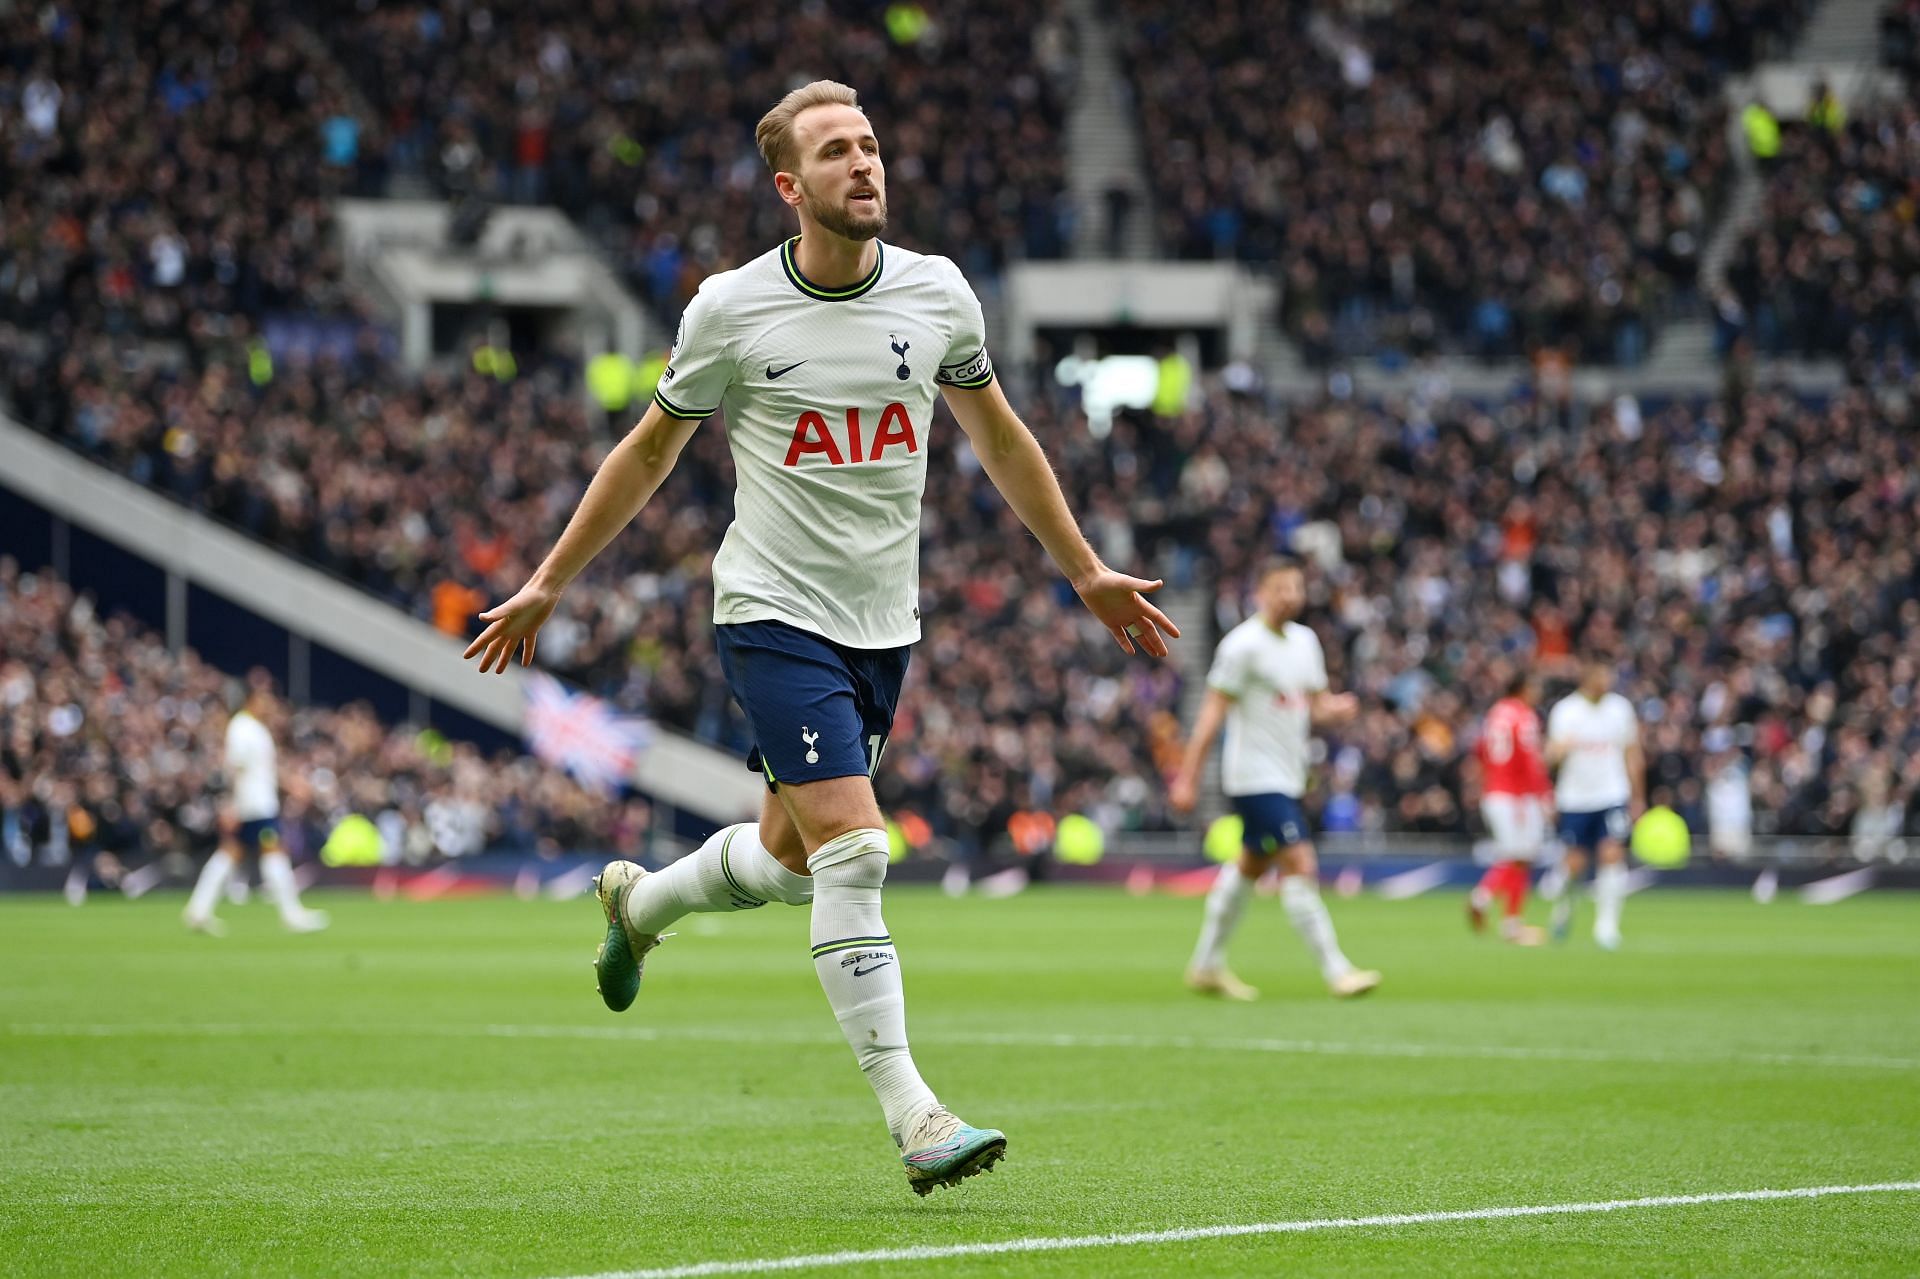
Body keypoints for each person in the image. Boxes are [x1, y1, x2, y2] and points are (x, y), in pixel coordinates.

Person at [462, 80, 1178, 1197]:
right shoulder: (731, 310)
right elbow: (649, 452)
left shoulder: (938, 295)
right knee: (858, 849)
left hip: (883, 626)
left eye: (872, 145)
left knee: (794, 864)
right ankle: (917, 1117)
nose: (864, 165)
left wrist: (1082, 567)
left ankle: (638, 904)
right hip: (770, 612)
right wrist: (551, 580)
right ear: (791, 186)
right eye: (837, 152)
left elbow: (998, 434)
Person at [1168, 559, 1381, 1001]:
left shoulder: (1306, 641)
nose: (1289, 595)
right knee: (1300, 863)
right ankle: (1337, 970)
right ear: (1260, 593)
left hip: (1288, 774)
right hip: (1252, 777)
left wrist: (1336, 709)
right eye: (1280, 588)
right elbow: (1211, 714)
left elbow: (1316, 705)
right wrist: (1187, 777)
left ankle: (1206, 965)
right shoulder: (1242, 646)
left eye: (1296, 587)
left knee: (1249, 866)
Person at [182, 676, 330, 935]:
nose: (268, 704)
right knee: (273, 853)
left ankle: (198, 910)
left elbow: (261, 769)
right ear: (251, 699)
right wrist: (231, 805)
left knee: (229, 855)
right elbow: (235, 769)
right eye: (264, 698)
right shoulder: (242, 728)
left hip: (255, 802)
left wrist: (290, 783)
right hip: (253, 805)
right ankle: (291, 914)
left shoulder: (253, 728)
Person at [1542, 661, 1644, 949]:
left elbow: (1632, 754)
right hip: (1575, 797)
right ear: (1586, 677)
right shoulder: (1566, 711)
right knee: (1574, 863)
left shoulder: (1620, 709)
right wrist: (1559, 750)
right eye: (1600, 673)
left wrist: (1638, 797)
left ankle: (1607, 926)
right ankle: (1564, 910)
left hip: (1612, 794)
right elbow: (1549, 756)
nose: (1606, 679)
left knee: (1612, 853)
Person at [1466, 669, 1551, 945]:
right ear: (1523, 688)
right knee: (1518, 855)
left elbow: (1480, 751)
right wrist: (1545, 794)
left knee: (1518, 857)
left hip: (1494, 791)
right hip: (1517, 796)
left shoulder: (1494, 714)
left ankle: (1512, 924)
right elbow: (1530, 759)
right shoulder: (1524, 716)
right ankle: (1483, 897)